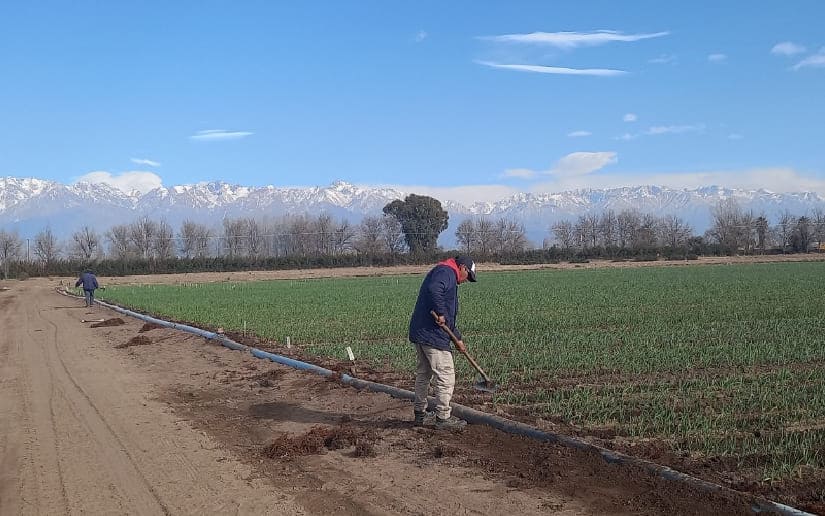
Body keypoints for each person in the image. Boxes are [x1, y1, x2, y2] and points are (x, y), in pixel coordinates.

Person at [408, 255, 477, 430]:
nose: (466, 280)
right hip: (432, 335)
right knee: (446, 375)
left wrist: (457, 338)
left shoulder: (442, 271)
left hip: (421, 331)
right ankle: (443, 417)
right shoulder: (446, 272)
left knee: (424, 374)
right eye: (468, 276)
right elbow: (435, 289)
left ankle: (420, 414)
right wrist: (440, 312)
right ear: (463, 267)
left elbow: (447, 318)